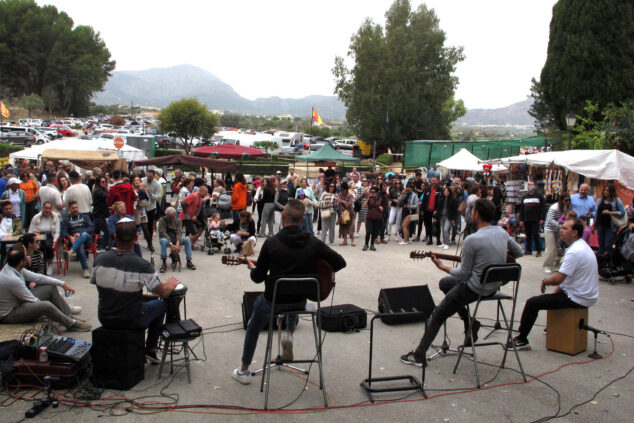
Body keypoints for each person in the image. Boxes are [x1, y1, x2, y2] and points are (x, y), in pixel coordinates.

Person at [232, 199, 347, 384]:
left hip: (273, 301)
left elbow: (257, 278)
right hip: (299, 302)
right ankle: (289, 335)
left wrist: (252, 266)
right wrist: (318, 268)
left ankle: (243, 371)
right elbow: (340, 262)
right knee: (296, 289)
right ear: (303, 219)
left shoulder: (271, 243)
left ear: (283, 216)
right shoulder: (313, 242)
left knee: (253, 326)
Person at [401, 199, 523, 367]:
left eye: (471, 213)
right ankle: (469, 322)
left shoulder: (472, 240)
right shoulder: (501, 233)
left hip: (475, 288)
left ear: (477, 214)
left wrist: (442, 266)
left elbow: (463, 274)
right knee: (445, 284)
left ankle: (419, 355)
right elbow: (519, 252)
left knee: (438, 314)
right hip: (493, 286)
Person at [91, 218, 180, 363]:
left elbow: (106, 285)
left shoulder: (99, 260)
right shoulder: (142, 266)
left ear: (115, 237)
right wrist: (169, 285)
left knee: (146, 301)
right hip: (129, 319)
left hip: (105, 317)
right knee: (161, 304)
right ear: (136, 238)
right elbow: (163, 292)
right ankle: (150, 348)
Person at [508, 219, 599, 350]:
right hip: (586, 294)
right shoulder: (582, 246)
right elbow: (567, 279)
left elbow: (558, 278)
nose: (561, 230)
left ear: (575, 233)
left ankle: (522, 340)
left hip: (578, 297)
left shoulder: (574, 252)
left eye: (565, 228)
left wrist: (545, 281)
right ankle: (554, 327)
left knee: (532, 303)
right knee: (552, 297)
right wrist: (556, 292)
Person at [0, 248, 89, 330]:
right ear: (20, 262)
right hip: (10, 315)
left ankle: (68, 316)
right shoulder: (12, 279)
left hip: (19, 303)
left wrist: (62, 284)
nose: (27, 258)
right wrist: (51, 311)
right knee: (45, 305)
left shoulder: (13, 267)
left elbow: (39, 278)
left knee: (50, 288)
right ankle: (71, 324)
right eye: (25, 257)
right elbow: (33, 300)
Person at [61, 201, 94, 278]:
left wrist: (80, 233)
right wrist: (70, 237)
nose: (75, 209)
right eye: (73, 208)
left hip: (87, 240)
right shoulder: (66, 219)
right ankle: (85, 269)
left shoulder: (85, 217)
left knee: (84, 234)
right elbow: (63, 232)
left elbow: (92, 227)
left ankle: (71, 251)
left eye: (76, 207)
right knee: (80, 245)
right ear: (69, 209)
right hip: (74, 241)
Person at [158, 207, 195, 271]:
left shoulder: (178, 220)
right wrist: (170, 243)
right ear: (166, 215)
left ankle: (189, 260)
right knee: (163, 241)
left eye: (173, 216)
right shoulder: (162, 220)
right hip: (166, 239)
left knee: (187, 239)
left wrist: (177, 243)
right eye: (170, 216)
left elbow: (179, 232)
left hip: (175, 238)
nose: (171, 218)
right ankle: (164, 262)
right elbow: (163, 232)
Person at [28, 201, 60, 274]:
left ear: (51, 209)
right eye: (46, 208)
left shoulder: (55, 217)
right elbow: (30, 230)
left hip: (50, 235)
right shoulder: (36, 217)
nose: (47, 210)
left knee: (48, 246)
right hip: (38, 235)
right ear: (42, 208)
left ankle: (49, 266)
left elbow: (57, 232)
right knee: (38, 246)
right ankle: (38, 265)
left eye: (49, 208)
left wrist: (55, 241)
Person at [594, 183, 626, 256]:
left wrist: (610, 212)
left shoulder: (617, 200)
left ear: (611, 192)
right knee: (601, 244)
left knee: (607, 245)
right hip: (601, 225)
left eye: (607, 191)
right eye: (604, 190)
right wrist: (595, 225)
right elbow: (597, 213)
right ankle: (600, 261)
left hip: (611, 227)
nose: (605, 192)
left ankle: (608, 259)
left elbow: (622, 212)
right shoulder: (600, 200)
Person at [543, 193, 571, 273]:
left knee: (559, 248)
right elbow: (549, 220)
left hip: (559, 230)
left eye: (569, 200)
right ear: (561, 200)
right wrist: (560, 226)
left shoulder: (567, 207)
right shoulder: (554, 207)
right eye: (566, 200)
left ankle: (556, 265)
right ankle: (547, 266)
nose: (568, 202)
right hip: (550, 229)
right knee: (551, 249)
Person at [519, 181, 546, 257]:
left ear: (534, 186)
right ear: (527, 187)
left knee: (535, 234)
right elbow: (522, 209)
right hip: (527, 219)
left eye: (532, 184)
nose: (530, 186)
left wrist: (542, 218)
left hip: (535, 219)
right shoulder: (525, 197)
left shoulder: (539, 196)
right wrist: (521, 219)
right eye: (529, 185)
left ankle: (538, 250)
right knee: (528, 235)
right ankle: (528, 250)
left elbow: (543, 208)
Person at [92, 175, 111, 251]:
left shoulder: (100, 190)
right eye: (103, 182)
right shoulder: (98, 191)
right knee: (107, 231)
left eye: (105, 181)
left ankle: (95, 246)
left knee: (96, 232)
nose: (104, 183)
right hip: (99, 215)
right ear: (98, 182)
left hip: (99, 214)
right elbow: (106, 196)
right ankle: (102, 247)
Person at [362, 186, 383, 251]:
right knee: (368, 231)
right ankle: (366, 244)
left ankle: (372, 245)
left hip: (377, 216)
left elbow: (383, 206)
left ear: (376, 192)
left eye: (373, 192)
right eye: (371, 191)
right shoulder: (369, 197)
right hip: (370, 216)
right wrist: (368, 198)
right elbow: (364, 205)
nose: (372, 193)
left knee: (375, 232)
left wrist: (381, 208)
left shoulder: (380, 198)